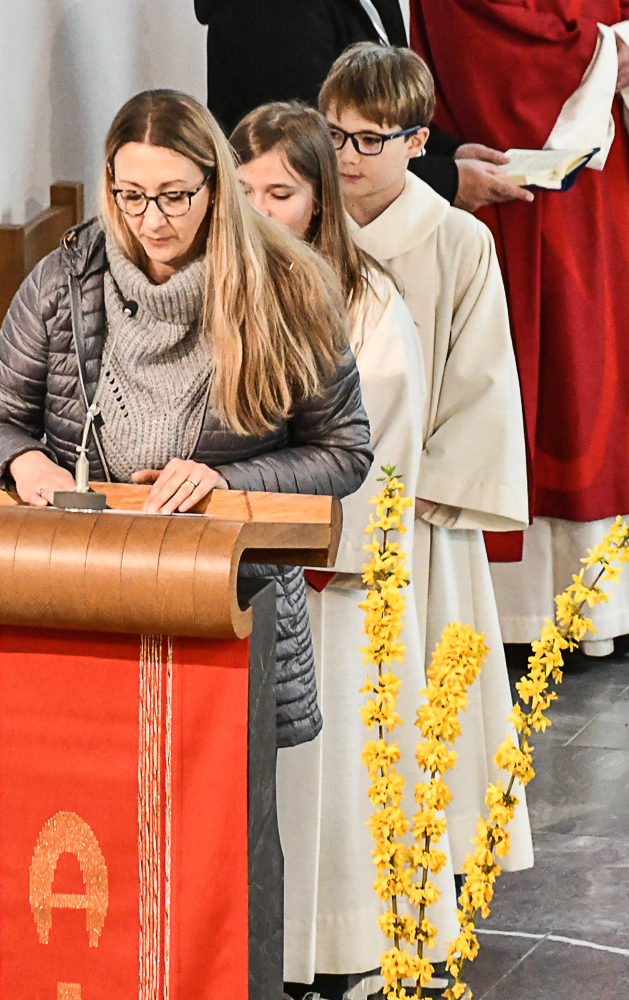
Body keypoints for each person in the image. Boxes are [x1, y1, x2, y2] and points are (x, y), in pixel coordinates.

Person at [0, 88, 374, 751]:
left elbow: (343, 451)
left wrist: (224, 480)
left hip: (230, 599)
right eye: (131, 195)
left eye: (175, 196)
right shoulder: (64, 281)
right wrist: (24, 461)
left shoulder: (287, 286)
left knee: (217, 810)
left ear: (215, 186)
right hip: (87, 595)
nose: (151, 220)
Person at [231, 101, 460, 1000]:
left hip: (333, 577)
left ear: (319, 201)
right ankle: (268, 948)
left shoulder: (366, 303)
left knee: (342, 777)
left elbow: (380, 446)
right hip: (242, 569)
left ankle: (342, 946)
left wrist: (316, 542)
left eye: (279, 193)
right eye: (243, 191)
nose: (259, 211)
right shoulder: (224, 286)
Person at [319, 42, 535, 957]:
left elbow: (481, 384)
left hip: (417, 518)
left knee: (422, 701)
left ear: (417, 140)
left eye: (368, 139)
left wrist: (424, 497)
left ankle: (431, 857)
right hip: (323, 506)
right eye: (333, 135)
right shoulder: (303, 234)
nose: (346, 157)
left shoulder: (455, 240)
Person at [410, 1, 629, 658]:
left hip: (604, 177)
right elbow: (489, 47)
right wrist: (603, 56)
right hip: (517, 184)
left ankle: (606, 601)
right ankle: (529, 611)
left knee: (600, 381)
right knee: (548, 380)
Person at [194, 0, 534, 211]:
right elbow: (319, 142)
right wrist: (449, 180)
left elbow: (386, 107)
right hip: (294, 228)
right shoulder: (270, 9)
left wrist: (451, 152)